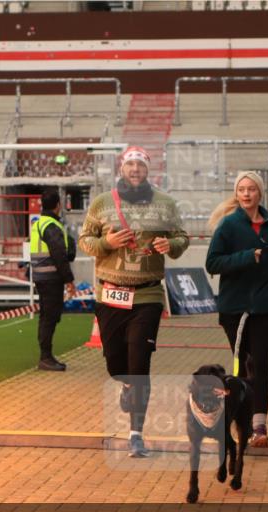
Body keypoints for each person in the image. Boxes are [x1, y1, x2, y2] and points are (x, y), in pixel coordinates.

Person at [79, 146, 189, 457]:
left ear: (147, 170)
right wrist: (107, 242)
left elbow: (182, 238)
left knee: (140, 363)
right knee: (117, 365)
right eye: (130, 165)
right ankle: (125, 385)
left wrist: (170, 244)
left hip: (148, 295)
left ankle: (135, 433)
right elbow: (85, 241)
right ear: (122, 168)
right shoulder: (102, 203)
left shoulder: (165, 203)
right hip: (111, 294)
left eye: (140, 165)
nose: (135, 170)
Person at [205, 171, 268, 448]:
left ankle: (259, 427)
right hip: (234, 308)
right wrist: (246, 257)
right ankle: (239, 422)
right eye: (241, 189)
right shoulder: (228, 226)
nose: (246, 194)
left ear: (259, 193)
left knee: (261, 363)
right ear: (236, 193)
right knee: (242, 365)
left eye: (251, 189)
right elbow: (213, 263)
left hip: (265, 305)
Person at [29, 189, 76, 371]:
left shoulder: (38, 223)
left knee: (46, 317)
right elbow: (59, 255)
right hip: (51, 278)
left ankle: (46, 356)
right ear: (58, 205)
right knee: (50, 317)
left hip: (41, 277)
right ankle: (46, 357)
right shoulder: (51, 226)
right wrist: (69, 280)